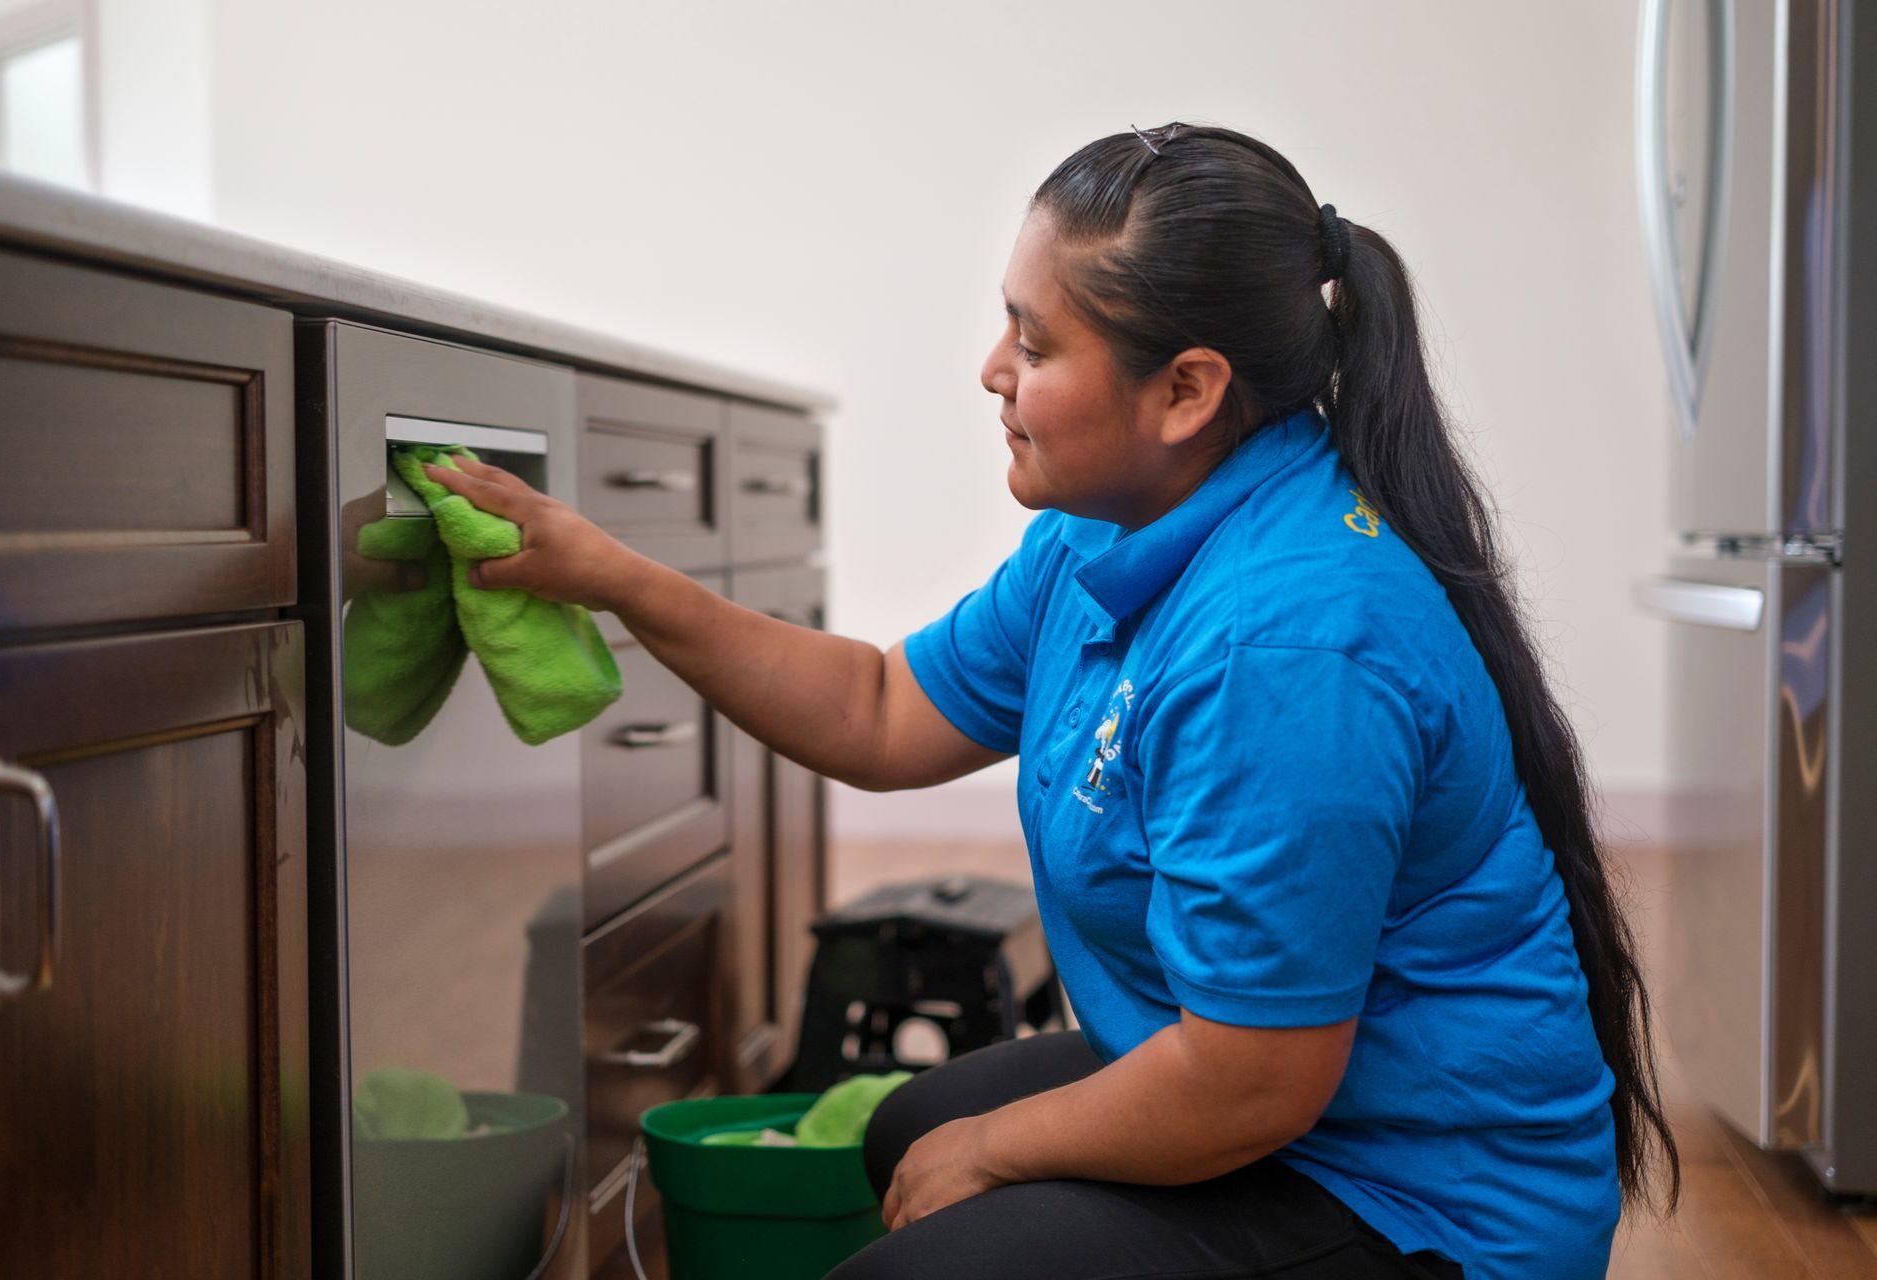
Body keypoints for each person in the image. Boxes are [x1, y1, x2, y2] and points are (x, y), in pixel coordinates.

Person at [421, 122, 1678, 1280]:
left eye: (1035, 343)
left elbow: (1253, 1081)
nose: (991, 371)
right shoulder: (1111, 533)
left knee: (923, 1230)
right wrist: (615, 578)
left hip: (1415, 1203)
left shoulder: (1289, 643)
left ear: (1186, 390)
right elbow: (878, 707)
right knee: (910, 1123)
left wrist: (1000, 1151)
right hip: (1294, 1102)